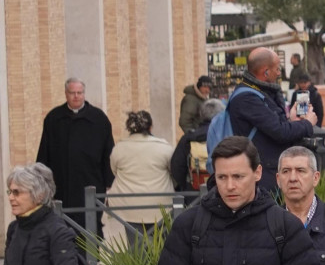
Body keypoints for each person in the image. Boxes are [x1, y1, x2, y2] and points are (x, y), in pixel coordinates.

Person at [155, 136, 320, 265]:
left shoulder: (286, 228)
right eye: (222, 177)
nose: (230, 186)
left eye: (238, 176)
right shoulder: (188, 225)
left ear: (258, 173)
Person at [226, 47, 317, 191]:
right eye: (277, 68)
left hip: (268, 170)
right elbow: (280, 132)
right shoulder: (247, 98)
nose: (280, 73)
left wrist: (291, 120)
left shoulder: (261, 92)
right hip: (262, 178)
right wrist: (307, 123)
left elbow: (274, 126)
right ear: (266, 72)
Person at [36, 78, 114, 232]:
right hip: (62, 185)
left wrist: (109, 183)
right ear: (66, 94)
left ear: (84, 94)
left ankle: (90, 256)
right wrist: (41, 181)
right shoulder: (54, 118)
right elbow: (45, 151)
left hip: (91, 183)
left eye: (79, 93)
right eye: (72, 93)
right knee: (62, 227)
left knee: (90, 225)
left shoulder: (99, 119)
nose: (76, 96)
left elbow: (108, 152)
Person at [3, 163, 89, 265]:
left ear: (39, 195)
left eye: (17, 192)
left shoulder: (58, 232)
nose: (11, 197)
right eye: (10, 192)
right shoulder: (13, 228)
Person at [108, 111, 175, 243]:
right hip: (160, 205)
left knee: (137, 248)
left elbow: (114, 170)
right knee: (161, 246)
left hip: (129, 207)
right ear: (151, 127)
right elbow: (173, 171)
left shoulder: (119, 148)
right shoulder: (164, 148)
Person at [171, 99, 224, 192]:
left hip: (195, 192)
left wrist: (186, 186)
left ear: (201, 115)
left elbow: (177, 166)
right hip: (222, 191)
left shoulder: (188, 138)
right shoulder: (225, 136)